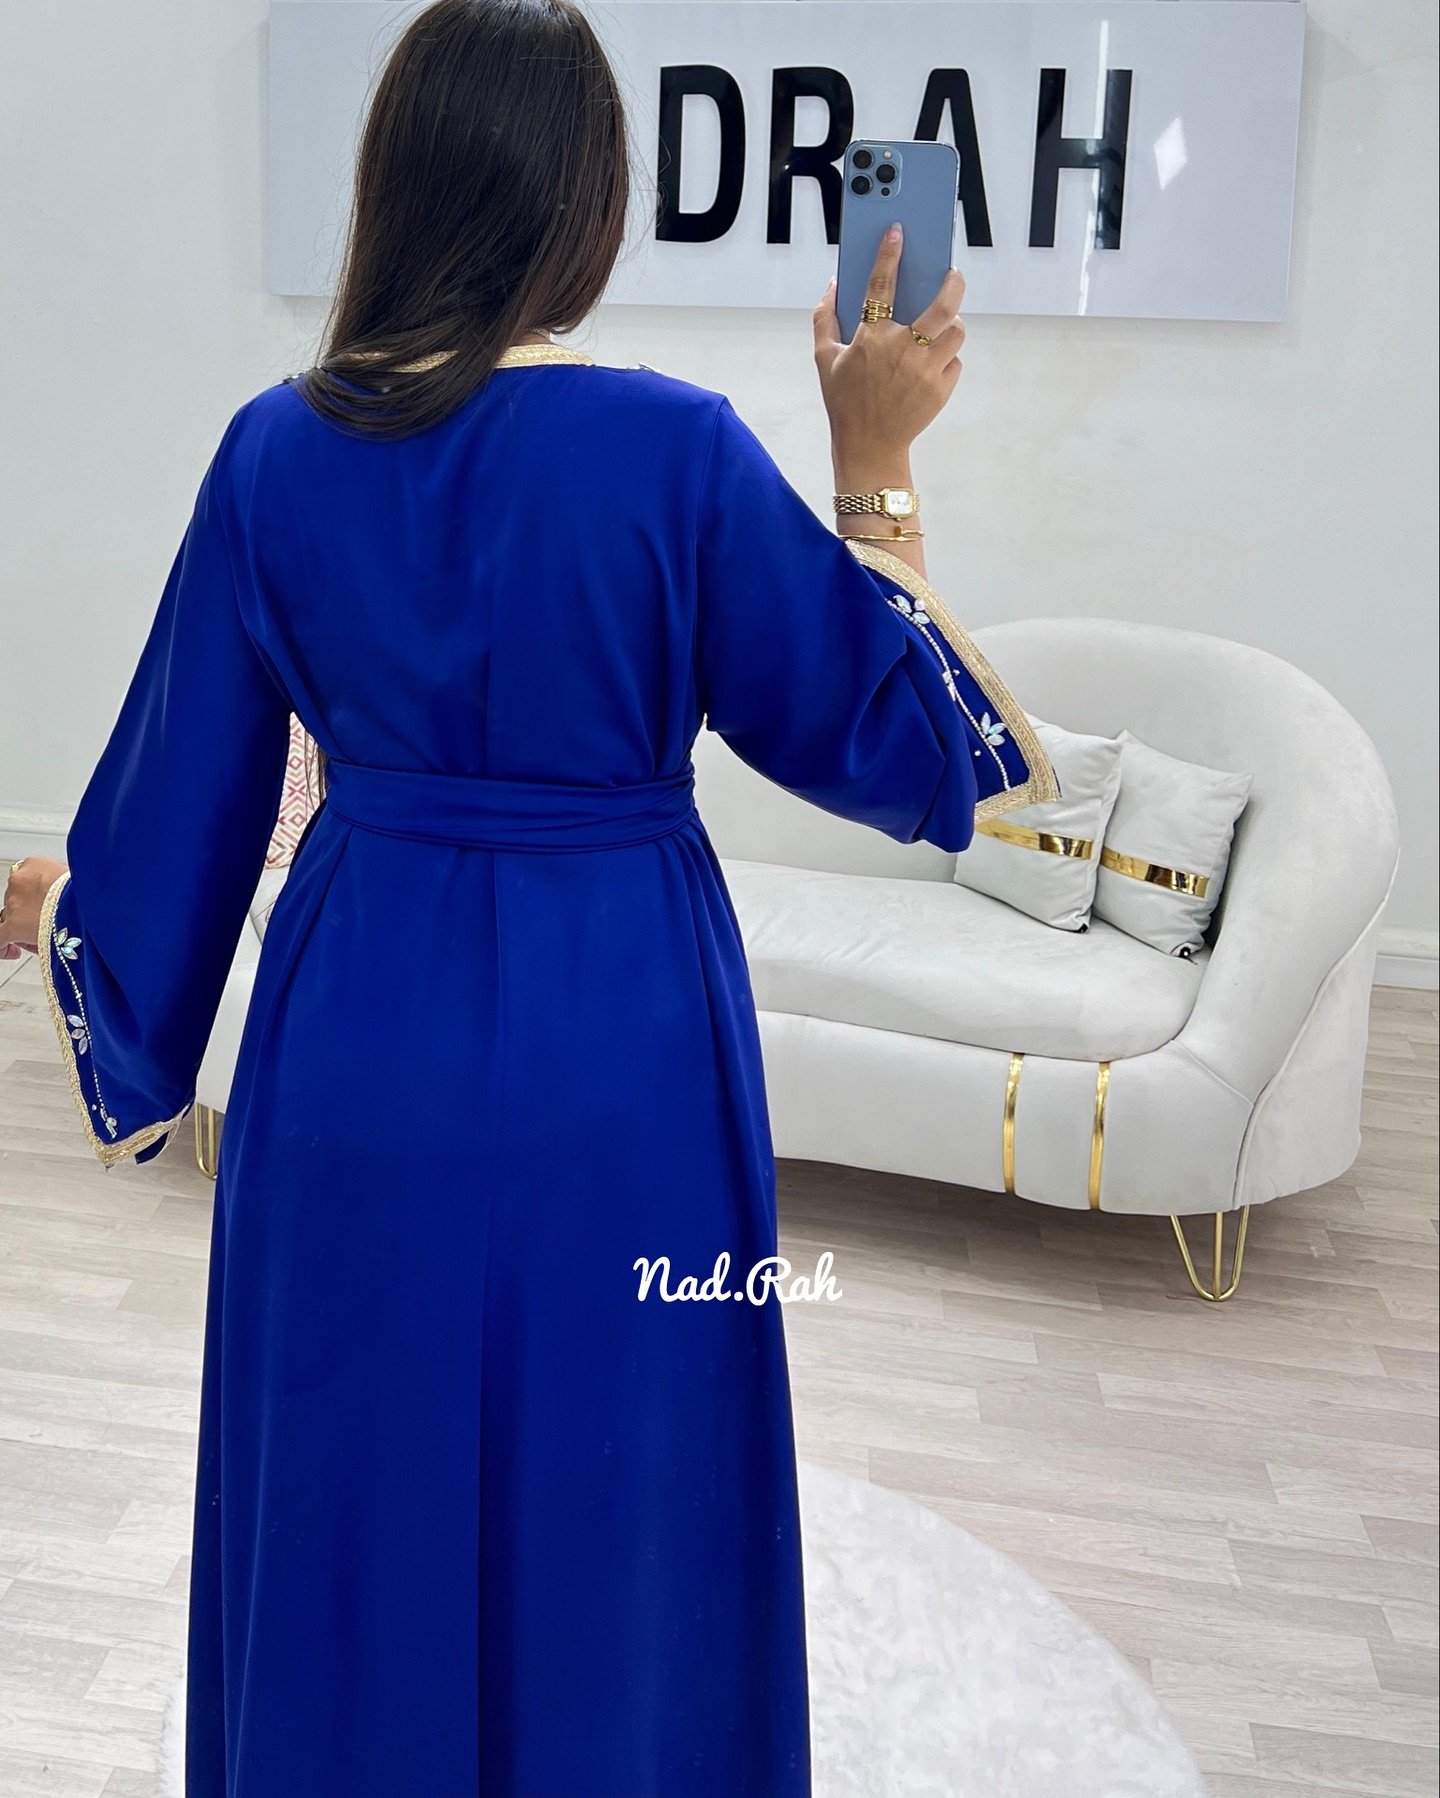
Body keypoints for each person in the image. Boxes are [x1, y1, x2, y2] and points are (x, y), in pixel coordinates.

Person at [0, 0, 1056, 1790]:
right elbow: (899, 746)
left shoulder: (274, 452)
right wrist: (875, 463)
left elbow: (181, 812)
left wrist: (65, 918)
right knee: (630, 1493)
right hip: (625, 1046)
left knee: (348, 1497)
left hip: (355, 1041)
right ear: (593, 206)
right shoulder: (677, 452)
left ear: (395, 185)